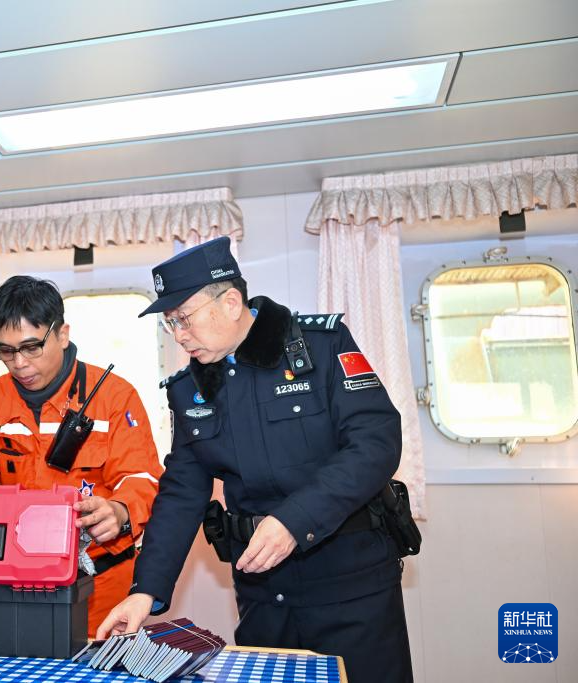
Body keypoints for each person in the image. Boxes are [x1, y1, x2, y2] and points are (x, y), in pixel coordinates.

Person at [97, 237, 413, 682]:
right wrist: (145, 592)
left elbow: (376, 443)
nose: (179, 335)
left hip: (351, 587)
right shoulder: (190, 390)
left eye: (184, 318)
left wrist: (293, 521)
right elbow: (182, 492)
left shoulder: (320, 346)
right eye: (170, 324)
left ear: (230, 303)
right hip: (265, 596)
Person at [0, 275, 163, 636]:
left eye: (31, 347)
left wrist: (120, 511)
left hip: (102, 584)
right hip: (19, 582)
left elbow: (141, 477)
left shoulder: (114, 396)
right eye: (6, 350)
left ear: (62, 334)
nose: (19, 363)